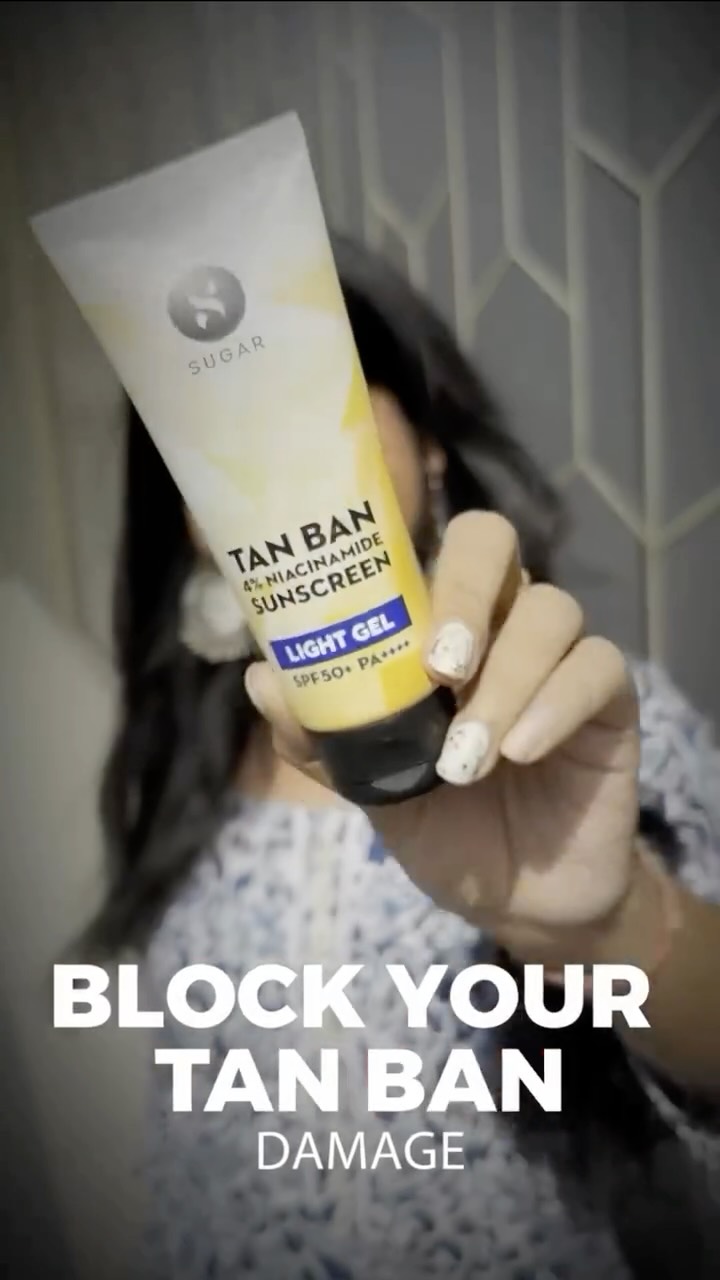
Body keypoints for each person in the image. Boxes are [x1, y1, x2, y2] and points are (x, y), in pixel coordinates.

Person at [95, 236, 720, 1280]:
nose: (269, 466)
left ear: (430, 444)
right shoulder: (179, 759)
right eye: (210, 440)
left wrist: (603, 927)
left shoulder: (586, 728)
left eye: (312, 404)